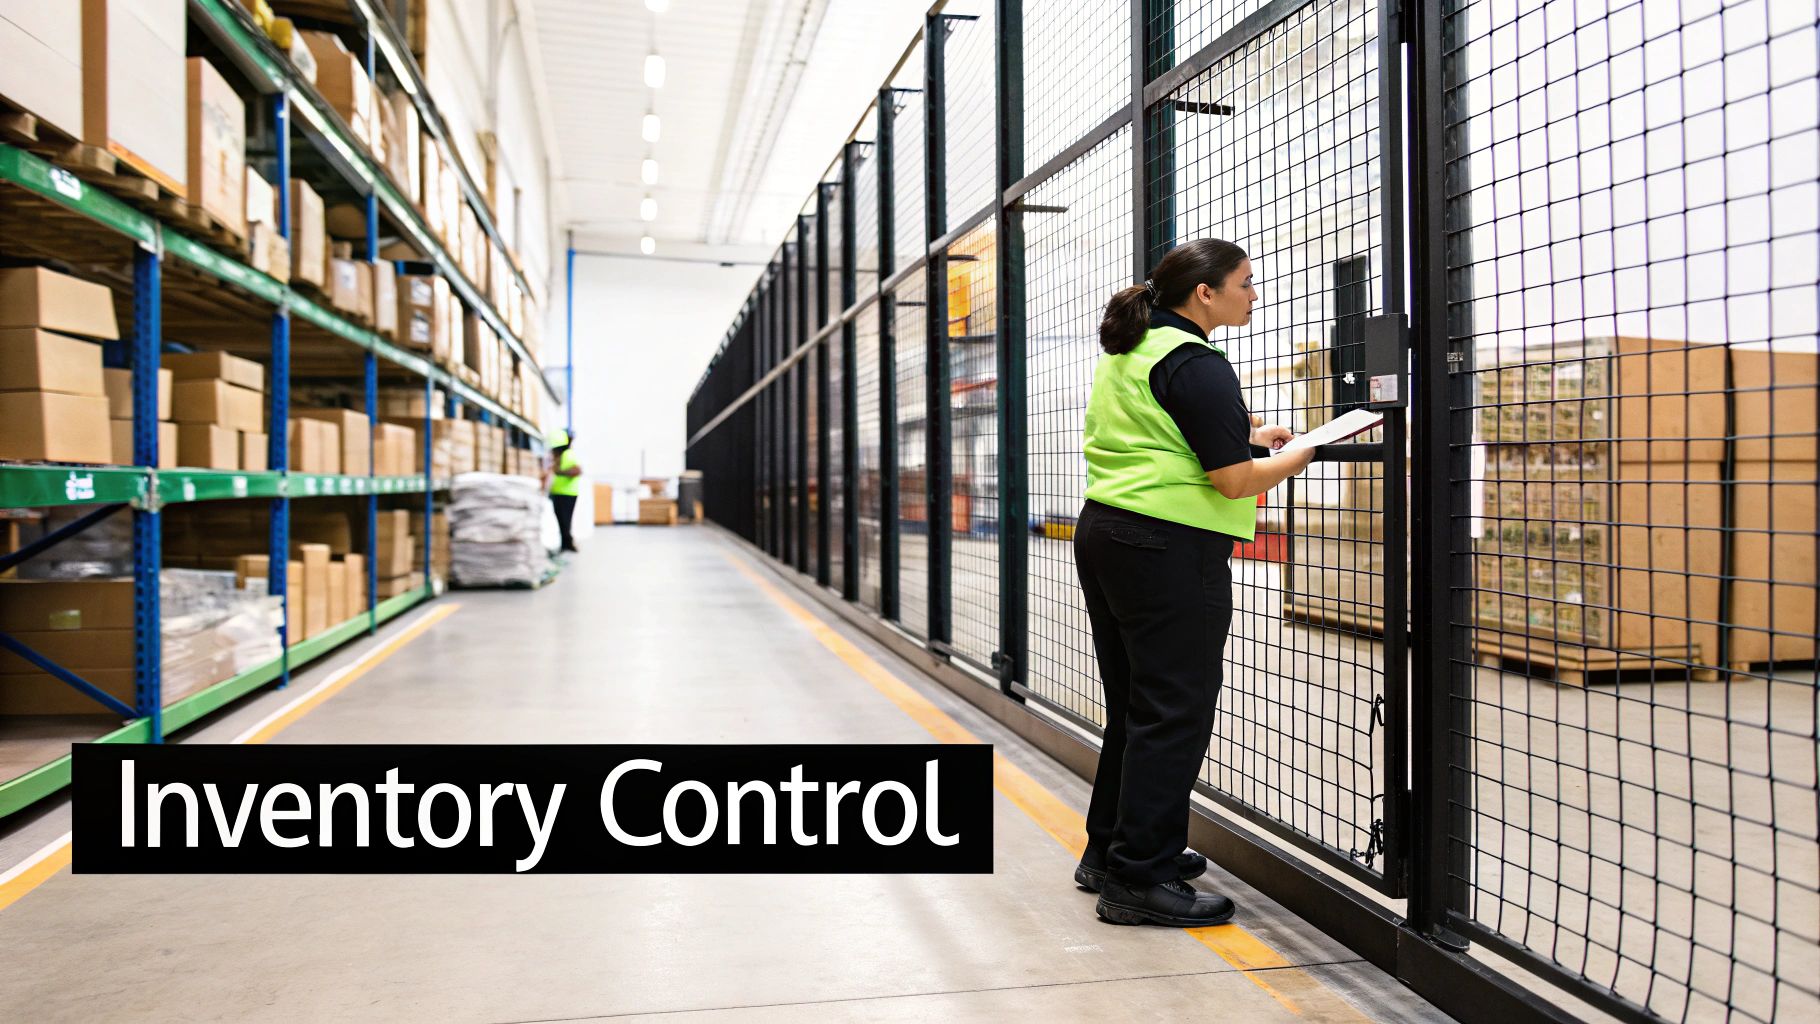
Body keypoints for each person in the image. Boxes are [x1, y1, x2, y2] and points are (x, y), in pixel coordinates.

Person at [1073, 238, 1316, 927]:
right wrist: (1298, 454)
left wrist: (1249, 435)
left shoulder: (1136, 348)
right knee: (1174, 709)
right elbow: (1233, 481)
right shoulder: (1198, 363)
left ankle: (1112, 852)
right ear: (1204, 293)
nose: (1253, 293)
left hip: (1109, 532)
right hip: (1166, 546)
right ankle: (1138, 877)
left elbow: (1163, 436)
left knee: (1136, 707)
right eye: (1245, 282)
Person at [546, 428, 583, 553]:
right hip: (557, 493)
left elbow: (577, 470)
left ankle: (569, 543)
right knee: (561, 520)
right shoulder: (558, 456)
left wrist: (559, 472)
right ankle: (564, 544)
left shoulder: (568, 454)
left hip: (568, 493)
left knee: (565, 520)